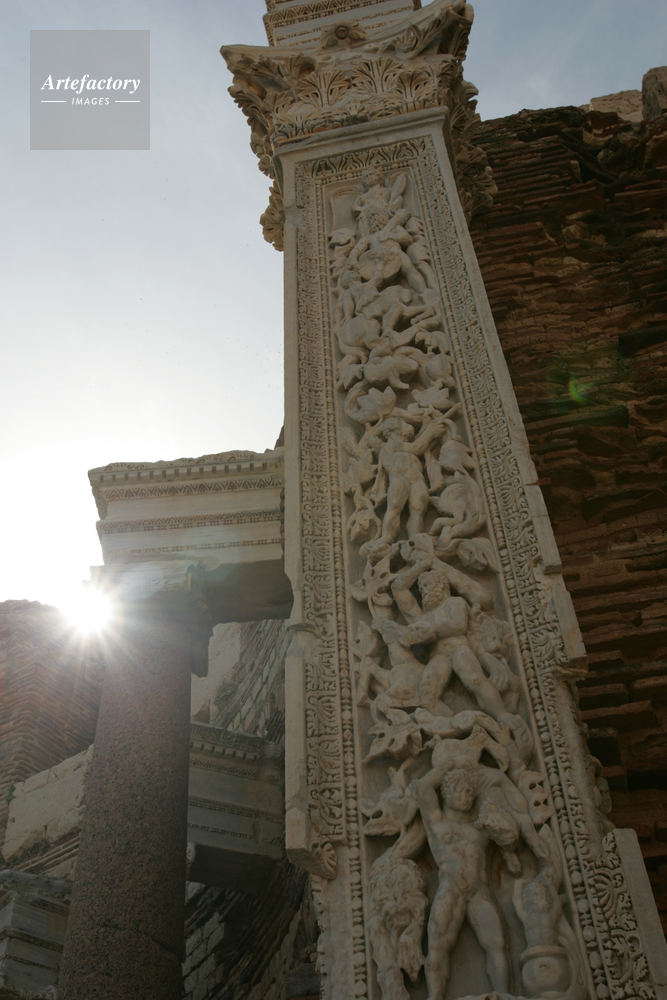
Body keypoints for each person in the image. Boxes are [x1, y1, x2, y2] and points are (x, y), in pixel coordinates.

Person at [416, 758, 509, 1000]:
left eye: (469, 792)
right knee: (438, 944)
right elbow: (423, 787)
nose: (466, 796)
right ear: (446, 793)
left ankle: (503, 994)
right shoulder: (438, 824)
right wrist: (450, 763)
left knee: (496, 941)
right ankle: (435, 996)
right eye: (460, 790)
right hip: (451, 889)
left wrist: (500, 778)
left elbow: (512, 835)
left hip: (479, 892)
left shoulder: (481, 827)